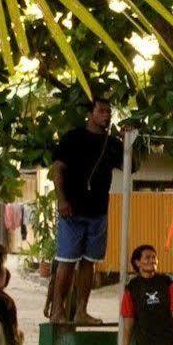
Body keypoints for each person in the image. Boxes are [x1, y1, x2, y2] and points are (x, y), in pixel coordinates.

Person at [47, 95, 120, 324]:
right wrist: (61, 200)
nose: (106, 115)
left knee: (90, 262)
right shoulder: (73, 138)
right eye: (101, 111)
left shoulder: (113, 143)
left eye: (108, 111)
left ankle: (81, 311)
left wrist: (129, 140)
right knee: (67, 261)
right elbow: (57, 169)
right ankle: (58, 311)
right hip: (72, 210)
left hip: (98, 211)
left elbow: (133, 165)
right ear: (90, 113)